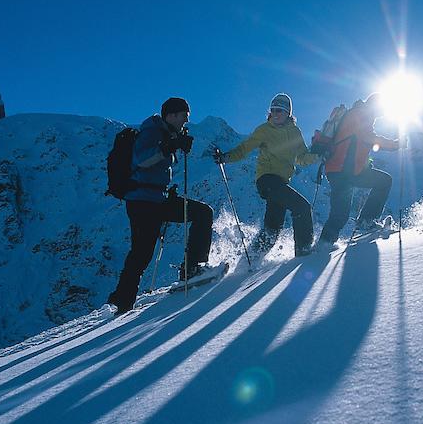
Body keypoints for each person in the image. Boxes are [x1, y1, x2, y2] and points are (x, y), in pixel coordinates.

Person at [106, 97, 214, 313]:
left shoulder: (167, 133)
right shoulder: (152, 132)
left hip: (158, 198)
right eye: (184, 116)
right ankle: (123, 300)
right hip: (142, 201)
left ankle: (191, 269)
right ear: (171, 115)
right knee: (141, 252)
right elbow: (142, 160)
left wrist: (173, 144)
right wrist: (170, 146)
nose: (186, 121)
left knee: (202, 213)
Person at [213, 93, 320, 257]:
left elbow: (301, 158)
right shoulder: (264, 130)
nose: (275, 113)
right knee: (302, 207)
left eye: (280, 110)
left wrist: (318, 156)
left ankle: (252, 257)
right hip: (267, 180)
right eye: (273, 110)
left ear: (288, 114)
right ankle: (304, 251)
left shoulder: (294, 132)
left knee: (273, 228)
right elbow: (244, 149)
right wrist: (225, 158)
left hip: (281, 183)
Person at [315, 93, 400, 250]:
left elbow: (358, 144)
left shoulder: (358, 114)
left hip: (346, 171)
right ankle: (323, 246)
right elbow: (369, 137)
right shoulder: (360, 115)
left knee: (383, 181)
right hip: (342, 172)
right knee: (340, 214)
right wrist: (395, 144)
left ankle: (364, 222)